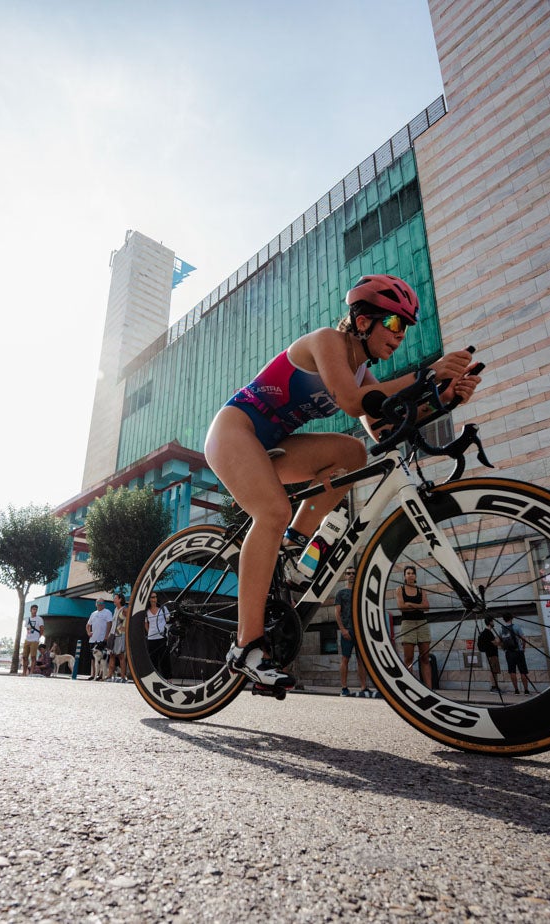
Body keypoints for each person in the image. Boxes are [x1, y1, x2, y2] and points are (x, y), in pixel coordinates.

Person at [203, 274, 481, 689]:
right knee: (273, 510)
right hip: (235, 430)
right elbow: (353, 404)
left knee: (352, 454)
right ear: (362, 319)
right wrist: (429, 374)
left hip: (275, 443)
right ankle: (245, 647)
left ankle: (294, 548)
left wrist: (444, 399)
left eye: (405, 328)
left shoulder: (363, 370)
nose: (400, 336)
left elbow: (383, 429)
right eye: (393, 324)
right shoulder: (328, 342)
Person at [334, 566, 375, 698]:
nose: (351, 575)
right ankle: (344, 688)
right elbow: (337, 613)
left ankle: (364, 687)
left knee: (361, 660)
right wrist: (342, 629)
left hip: (360, 631)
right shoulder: (340, 593)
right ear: (345, 576)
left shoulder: (361, 592)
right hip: (347, 630)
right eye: (349, 573)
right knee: (345, 659)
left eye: (353, 573)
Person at [395, 565, 432, 688]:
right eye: (408, 573)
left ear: (415, 576)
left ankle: (429, 688)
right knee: (408, 658)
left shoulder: (421, 590)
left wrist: (410, 604)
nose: (410, 575)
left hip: (422, 623)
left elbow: (427, 607)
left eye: (412, 573)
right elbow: (401, 607)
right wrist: (418, 605)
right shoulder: (400, 589)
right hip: (407, 623)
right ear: (404, 576)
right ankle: (410, 687)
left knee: (425, 657)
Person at [497, 615, 534, 694]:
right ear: (511, 618)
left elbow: (499, 642)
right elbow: (523, 639)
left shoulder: (501, 630)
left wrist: (504, 649)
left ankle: (516, 690)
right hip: (518, 651)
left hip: (509, 653)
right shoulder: (516, 627)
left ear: (503, 619)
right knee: (523, 671)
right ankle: (526, 690)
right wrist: (523, 648)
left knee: (512, 672)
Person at [86, 599, 115, 680]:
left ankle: (102, 675)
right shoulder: (93, 614)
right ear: (96, 604)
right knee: (93, 658)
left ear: (104, 604)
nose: (100, 604)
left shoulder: (107, 612)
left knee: (103, 658)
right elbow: (88, 625)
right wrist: (88, 632)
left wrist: (107, 636)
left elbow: (109, 623)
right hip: (93, 639)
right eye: (98, 603)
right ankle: (93, 674)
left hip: (102, 639)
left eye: (101, 603)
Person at [145, 592, 171, 679]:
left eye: (155, 597)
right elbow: (145, 623)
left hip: (162, 637)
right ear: (149, 599)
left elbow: (168, 620)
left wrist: (166, 630)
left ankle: (168, 679)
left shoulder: (163, 609)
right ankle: (155, 679)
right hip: (151, 638)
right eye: (152, 597)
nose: (154, 599)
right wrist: (150, 632)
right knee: (153, 660)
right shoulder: (147, 611)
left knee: (165, 659)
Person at [476, 616, 502, 693]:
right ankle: (494, 687)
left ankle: (495, 687)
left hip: (490, 654)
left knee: (494, 671)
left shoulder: (485, 632)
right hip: (492, 654)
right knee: (494, 671)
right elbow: (496, 643)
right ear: (490, 622)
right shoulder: (488, 632)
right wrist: (500, 639)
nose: (493, 623)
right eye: (493, 621)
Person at [108, 592, 129, 682]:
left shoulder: (124, 610)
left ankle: (123, 677)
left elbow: (129, 621)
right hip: (112, 635)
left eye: (115, 598)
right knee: (111, 655)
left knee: (121, 656)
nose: (114, 599)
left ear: (120, 599)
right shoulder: (115, 609)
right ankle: (109, 676)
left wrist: (125, 629)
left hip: (120, 635)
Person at [22, 605, 43, 676]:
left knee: (33, 657)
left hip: (35, 640)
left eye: (36, 609)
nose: (35, 611)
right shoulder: (28, 619)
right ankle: (24, 672)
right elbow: (27, 629)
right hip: (27, 639)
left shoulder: (39, 619)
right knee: (24, 657)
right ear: (30, 610)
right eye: (33, 609)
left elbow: (42, 629)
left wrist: (38, 638)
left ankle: (31, 673)